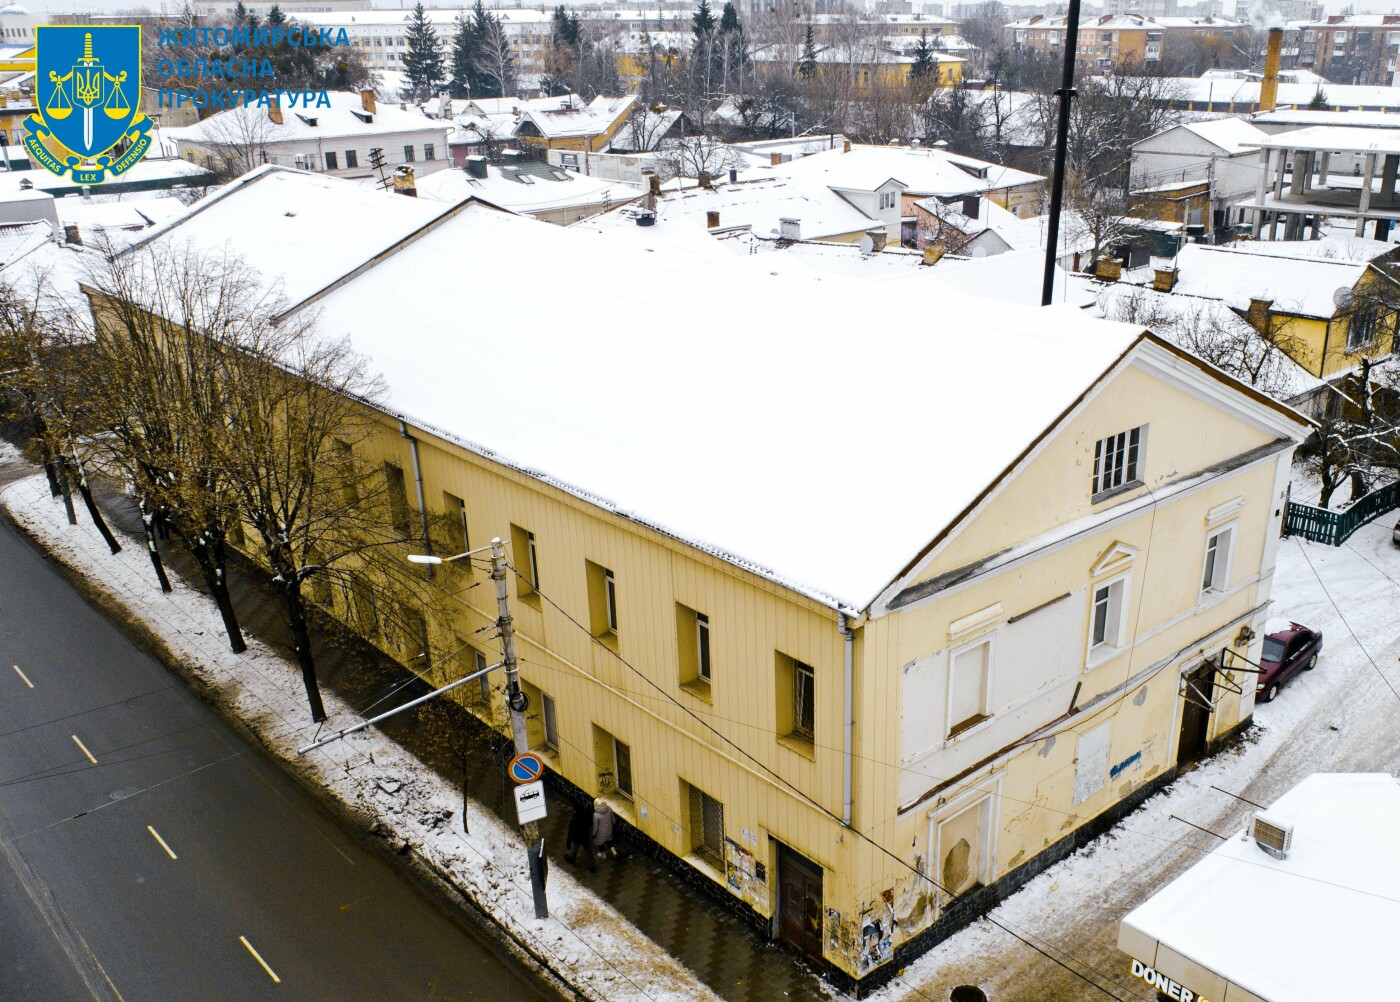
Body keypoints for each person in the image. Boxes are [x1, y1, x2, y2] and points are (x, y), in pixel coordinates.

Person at [564, 802, 596, 873]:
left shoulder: (573, 819)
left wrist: (568, 843)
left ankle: (572, 859)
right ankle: (592, 866)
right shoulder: (586, 815)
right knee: (588, 851)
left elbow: (570, 832)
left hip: (577, 838)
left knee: (575, 850)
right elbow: (590, 823)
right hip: (585, 836)